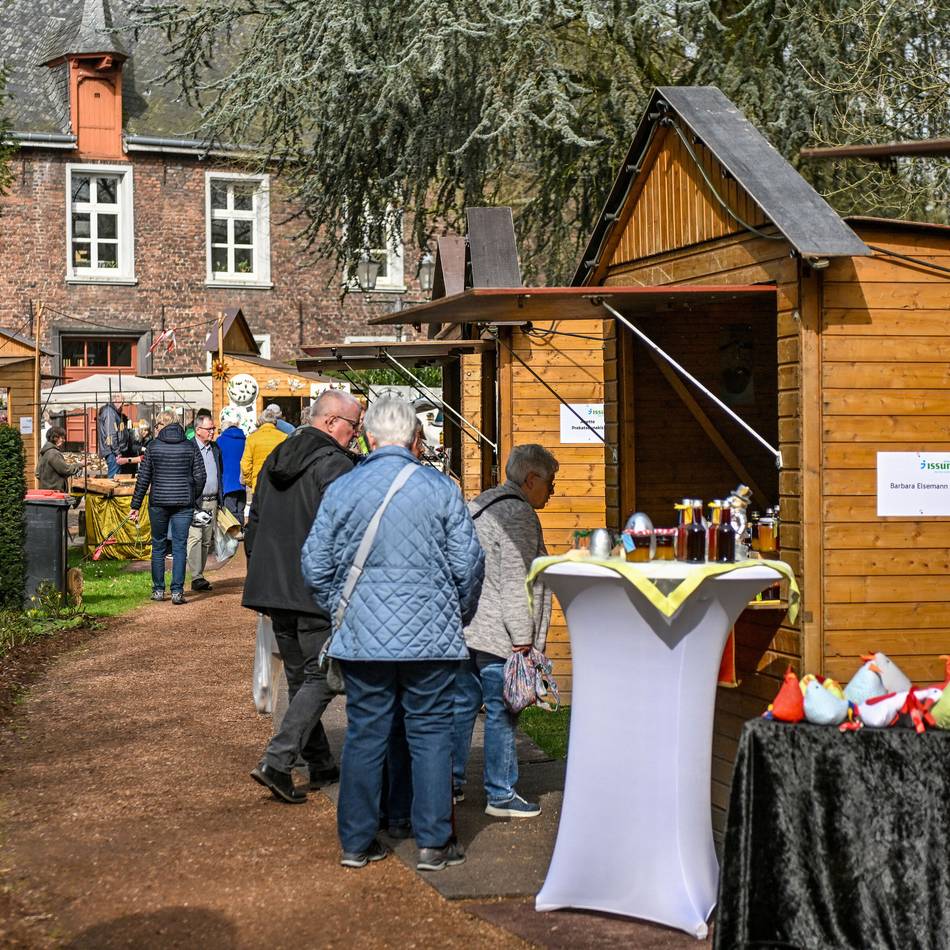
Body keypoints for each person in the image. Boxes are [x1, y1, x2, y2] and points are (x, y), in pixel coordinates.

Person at [302, 395, 485, 872]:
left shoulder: (344, 488)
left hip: (363, 640)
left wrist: (344, 609)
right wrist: (456, 614)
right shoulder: (441, 489)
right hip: (431, 635)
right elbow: (469, 564)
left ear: (368, 436)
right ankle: (433, 843)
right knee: (430, 735)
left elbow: (315, 564)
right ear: (414, 439)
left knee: (366, 734)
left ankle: (356, 842)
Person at [245, 390, 362, 804]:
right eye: (354, 426)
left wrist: (259, 573)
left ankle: (320, 762)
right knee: (323, 676)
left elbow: (254, 520)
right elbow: (348, 528)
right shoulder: (333, 464)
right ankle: (277, 760)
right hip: (313, 587)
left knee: (302, 677)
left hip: (274, 585)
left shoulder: (277, 455)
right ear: (331, 423)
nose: (357, 434)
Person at [452, 443, 557, 819]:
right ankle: (500, 792)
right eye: (551, 483)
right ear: (531, 479)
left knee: (462, 706)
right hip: (500, 632)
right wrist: (523, 639)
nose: (552, 491)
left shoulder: (480, 504)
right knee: (502, 711)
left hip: (467, 626)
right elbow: (517, 580)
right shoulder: (518, 514)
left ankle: (450, 783)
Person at [130, 410, 206, 605]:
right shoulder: (190, 447)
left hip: (158, 502)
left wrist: (135, 505)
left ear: (161, 425)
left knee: (158, 545)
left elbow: (143, 479)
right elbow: (200, 476)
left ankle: (157, 589)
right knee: (180, 546)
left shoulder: (153, 447)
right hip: (183, 503)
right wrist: (191, 495)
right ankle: (177, 591)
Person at [187, 409, 224, 592]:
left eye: (213, 428)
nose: (212, 432)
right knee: (196, 537)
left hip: (211, 501)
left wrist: (220, 499)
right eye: (209, 429)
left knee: (206, 541)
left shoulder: (215, 449)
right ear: (198, 429)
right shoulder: (190, 448)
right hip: (197, 502)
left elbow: (219, 472)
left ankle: (199, 575)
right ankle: (196, 576)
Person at [240, 408, 287, 493]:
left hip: (258, 486)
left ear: (261, 421)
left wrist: (251, 482)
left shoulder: (252, 438)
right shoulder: (284, 437)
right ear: (275, 421)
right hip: (278, 487)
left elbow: (245, 465)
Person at [216, 409, 247, 529]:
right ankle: (241, 535)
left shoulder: (220, 441)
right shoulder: (244, 440)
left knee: (230, 513)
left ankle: (232, 539)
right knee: (240, 510)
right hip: (242, 482)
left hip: (227, 483)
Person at [37, 426, 82, 490]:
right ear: (55, 438)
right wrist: (80, 465)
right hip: (54, 492)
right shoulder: (53, 453)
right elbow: (66, 470)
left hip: (46, 491)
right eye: (62, 438)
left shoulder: (44, 451)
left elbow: (37, 473)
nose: (64, 440)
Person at [97, 393, 126, 477]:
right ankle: (111, 491)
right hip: (112, 451)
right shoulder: (110, 412)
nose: (122, 405)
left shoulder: (112, 411)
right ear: (117, 400)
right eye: (122, 402)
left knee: (115, 476)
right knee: (114, 478)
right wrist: (117, 452)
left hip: (112, 451)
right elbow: (111, 435)